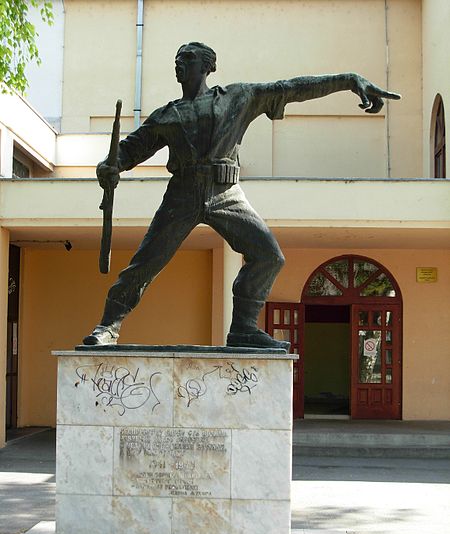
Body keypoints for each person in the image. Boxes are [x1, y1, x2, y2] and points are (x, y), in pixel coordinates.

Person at [83, 41, 400, 349]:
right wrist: (109, 166)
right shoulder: (167, 115)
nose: (179, 63)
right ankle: (107, 326)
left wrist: (347, 81)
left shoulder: (238, 97)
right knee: (146, 264)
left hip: (226, 193)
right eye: (177, 59)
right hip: (182, 194)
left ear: (208, 66)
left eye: (188, 58)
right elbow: (128, 151)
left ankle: (244, 330)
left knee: (268, 256)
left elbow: (291, 88)